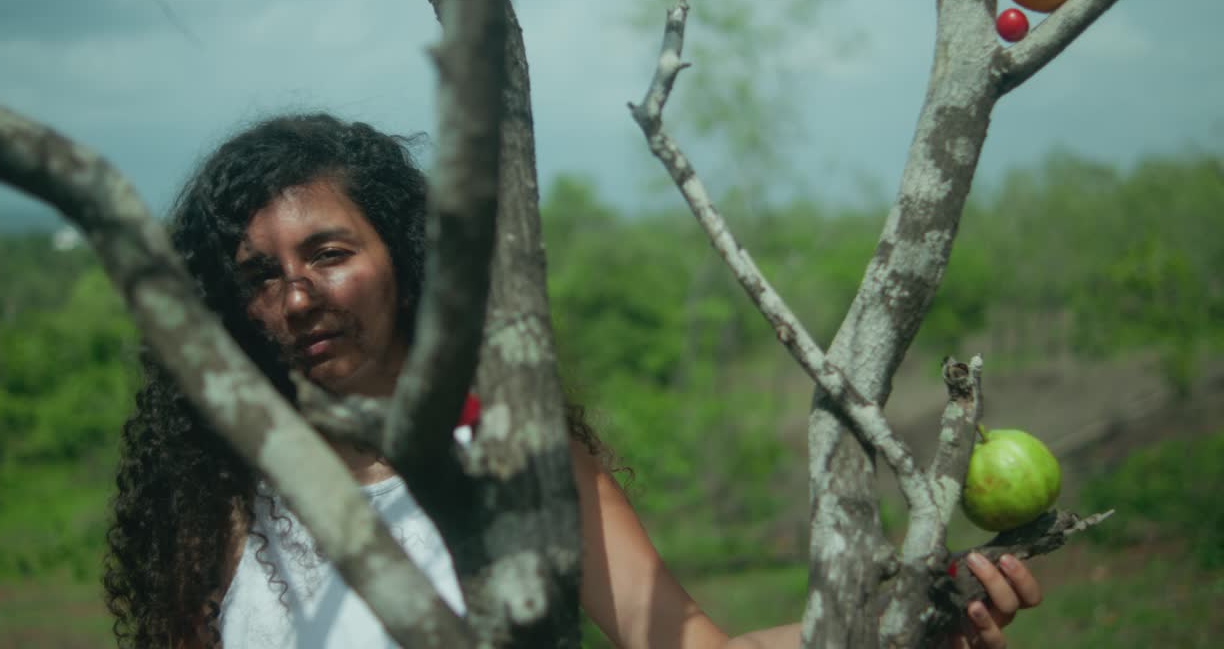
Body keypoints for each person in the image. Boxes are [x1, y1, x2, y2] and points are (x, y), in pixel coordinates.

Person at [104, 113, 1042, 649]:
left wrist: (903, 620)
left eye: (330, 253)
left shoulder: (519, 462)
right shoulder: (225, 495)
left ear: (406, 260)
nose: (299, 296)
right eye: (260, 275)